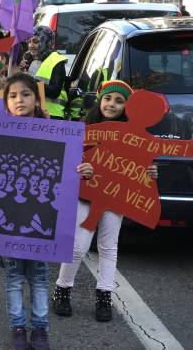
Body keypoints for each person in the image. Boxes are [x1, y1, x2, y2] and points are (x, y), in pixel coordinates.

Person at [0, 72, 93, 350]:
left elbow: (70, 170)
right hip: (9, 224)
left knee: (40, 278)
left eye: (25, 94)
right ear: (6, 102)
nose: (19, 100)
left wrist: (84, 170)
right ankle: (18, 328)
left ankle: (40, 329)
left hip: (41, 225)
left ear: (36, 99)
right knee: (13, 278)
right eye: (12, 95)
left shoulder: (56, 132)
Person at [53, 80, 158, 322]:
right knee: (78, 246)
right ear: (100, 100)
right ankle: (62, 289)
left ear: (127, 107)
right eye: (108, 98)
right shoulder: (85, 128)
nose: (112, 104)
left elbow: (139, 167)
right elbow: (67, 158)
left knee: (108, 247)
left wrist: (150, 173)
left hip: (115, 196)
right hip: (85, 194)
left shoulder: (134, 136)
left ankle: (104, 296)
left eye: (119, 101)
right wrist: (81, 166)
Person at [22, 26, 67, 120]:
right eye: (29, 41)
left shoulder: (56, 60)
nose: (31, 45)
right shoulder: (29, 59)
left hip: (52, 116)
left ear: (46, 42)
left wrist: (29, 82)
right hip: (33, 113)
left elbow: (55, 91)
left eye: (35, 41)